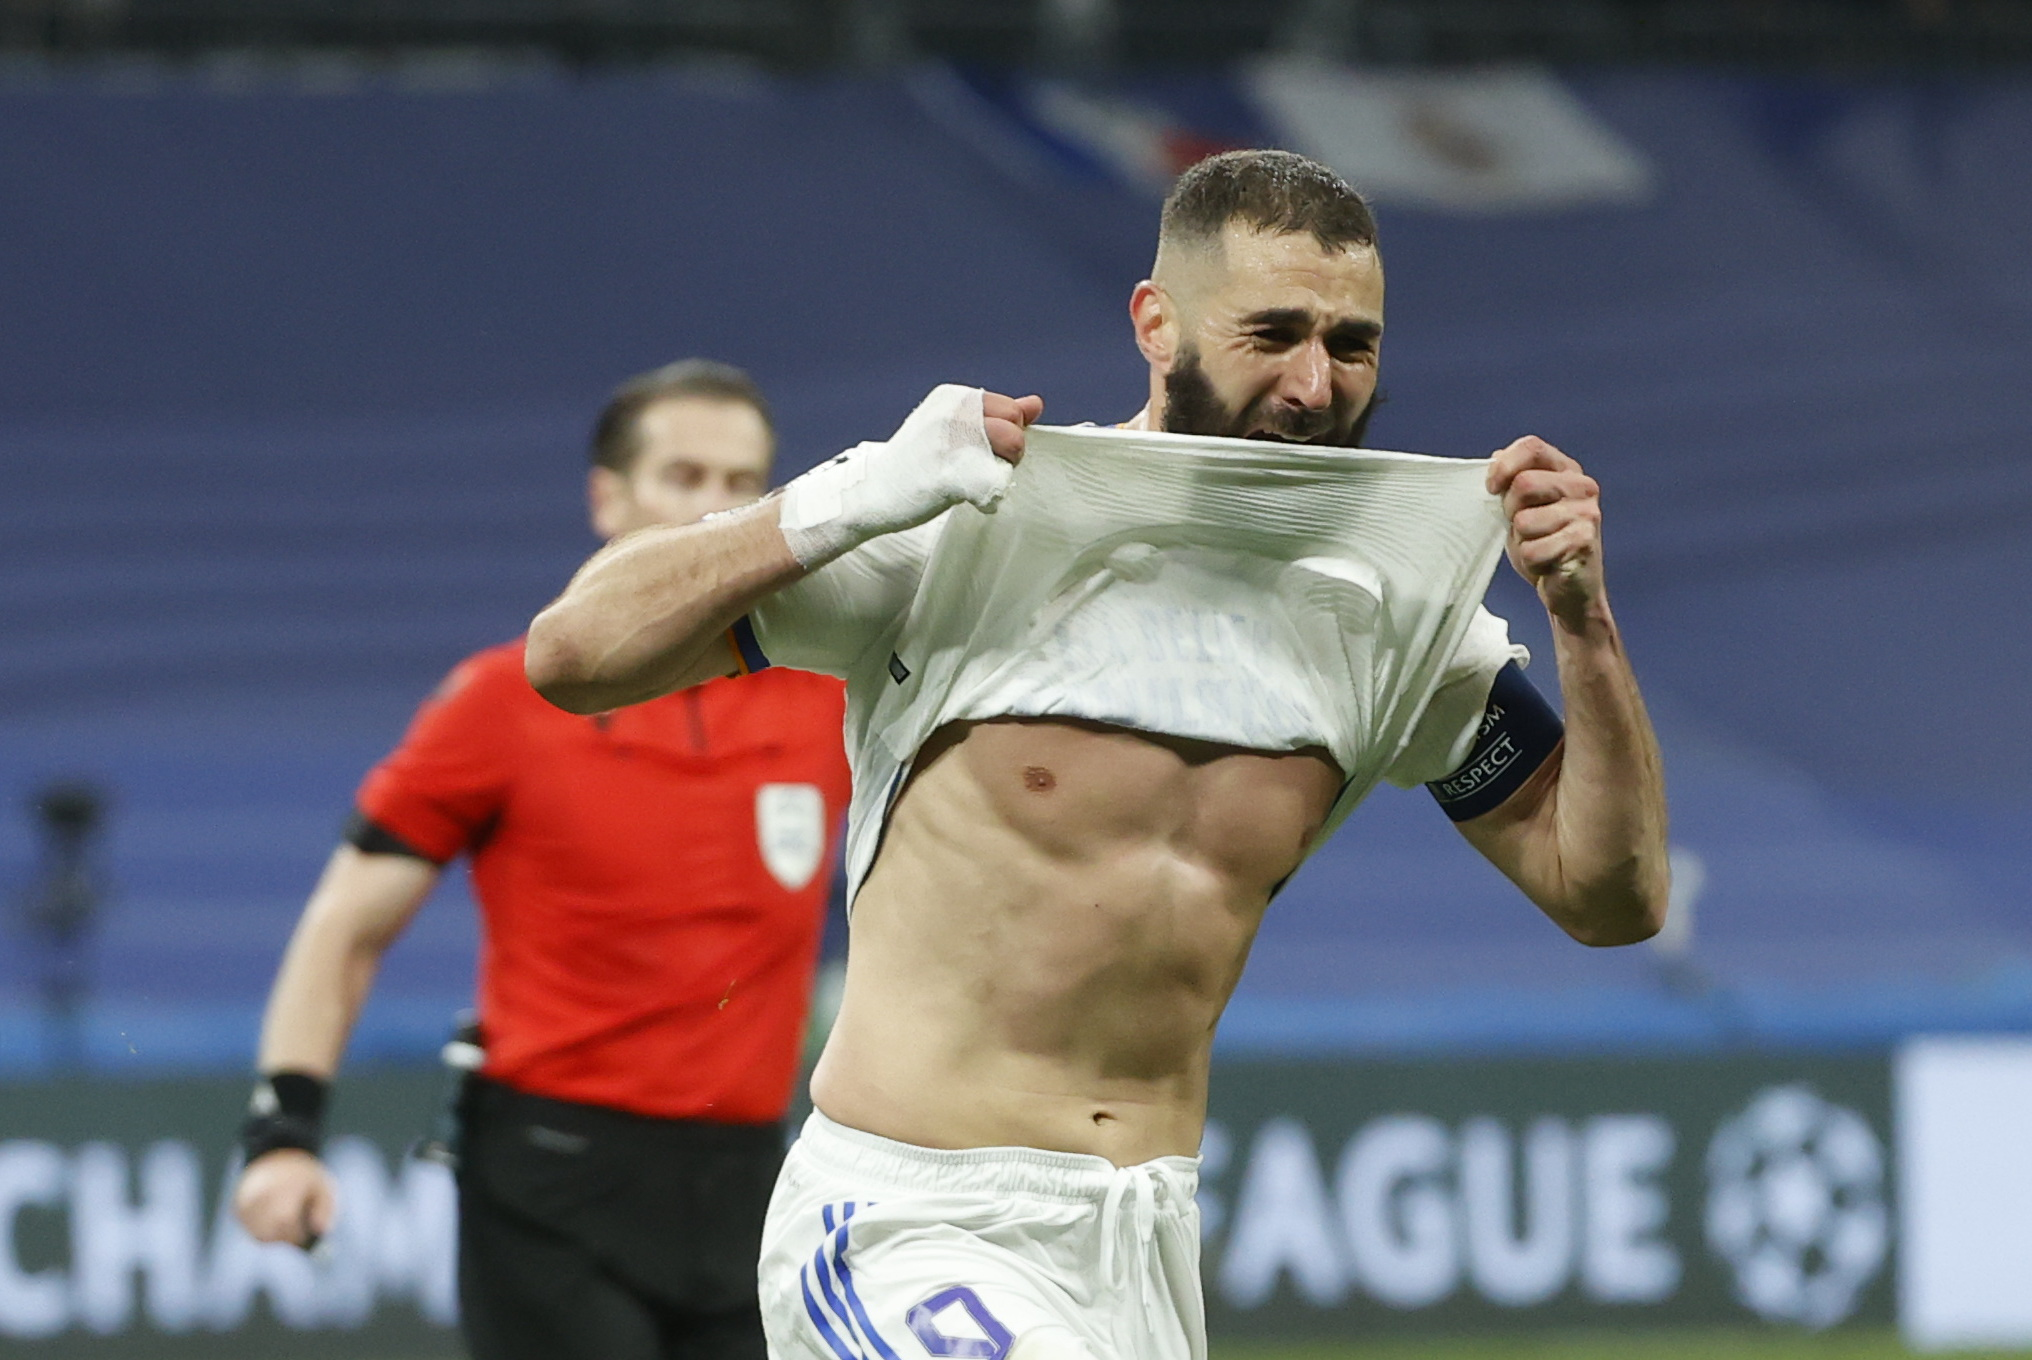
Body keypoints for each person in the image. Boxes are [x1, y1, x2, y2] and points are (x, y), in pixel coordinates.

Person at [524, 152, 1669, 1360]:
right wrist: (849, 494)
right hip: (910, 1219)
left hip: (1141, 1245)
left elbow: (1608, 895)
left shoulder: (1388, 611)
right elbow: (575, 653)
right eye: (1272, 333)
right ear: (1154, 322)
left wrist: (1581, 621)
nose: (1311, 383)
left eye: (1351, 345)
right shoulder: (967, 518)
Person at [232, 359, 852, 1360]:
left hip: (753, 1182)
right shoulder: (500, 702)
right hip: (553, 1185)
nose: (716, 510)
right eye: (684, 477)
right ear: (607, 497)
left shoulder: (830, 700)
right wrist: (282, 1134)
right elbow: (347, 923)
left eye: (744, 485)